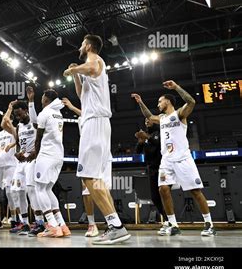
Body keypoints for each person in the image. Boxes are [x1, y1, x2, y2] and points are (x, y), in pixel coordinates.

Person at [63, 33, 131, 244]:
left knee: (88, 176)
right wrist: (76, 76)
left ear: (89, 46)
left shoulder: (95, 60)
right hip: (97, 122)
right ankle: (116, 224)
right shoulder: (90, 67)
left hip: (95, 123)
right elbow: (81, 92)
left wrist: (73, 69)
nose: (80, 47)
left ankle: (115, 226)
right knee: (96, 179)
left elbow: (91, 68)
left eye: (82, 44)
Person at [131, 80, 216, 236]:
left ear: (168, 101)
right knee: (163, 189)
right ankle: (173, 224)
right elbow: (149, 116)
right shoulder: (162, 118)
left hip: (183, 158)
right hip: (167, 160)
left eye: (159, 101)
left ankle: (209, 224)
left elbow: (191, 101)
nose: (158, 104)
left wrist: (176, 87)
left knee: (195, 191)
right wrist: (140, 102)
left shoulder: (179, 114)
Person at [62, 97, 112, 237]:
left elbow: (86, 111)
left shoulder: (99, 113)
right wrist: (71, 107)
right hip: (88, 155)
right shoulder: (83, 118)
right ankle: (92, 224)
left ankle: (112, 224)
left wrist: (71, 107)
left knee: (104, 189)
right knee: (86, 191)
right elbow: (83, 113)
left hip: (103, 155)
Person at [1, 87, 46, 236]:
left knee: (31, 190)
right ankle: (25, 224)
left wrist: (31, 100)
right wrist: (18, 153)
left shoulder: (34, 122)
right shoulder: (19, 126)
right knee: (15, 192)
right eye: (16, 115)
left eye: (19, 113)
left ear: (25, 110)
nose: (18, 117)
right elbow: (3, 124)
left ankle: (40, 223)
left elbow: (33, 116)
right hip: (22, 162)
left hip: (33, 160)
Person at [28, 89, 70, 237]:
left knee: (39, 189)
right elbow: (35, 124)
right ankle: (62, 225)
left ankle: (52, 225)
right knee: (47, 189)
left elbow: (38, 137)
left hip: (46, 155)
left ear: (46, 99)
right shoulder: (58, 112)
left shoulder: (45, 113)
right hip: (58, 155)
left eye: (42, 96)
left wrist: (35, 155)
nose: (41, 99)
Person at [135, 119, 167, 223]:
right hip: (151, 169)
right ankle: (167, 219)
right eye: (145, 121)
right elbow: (137, 151)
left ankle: (171, 219)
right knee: (154, 197)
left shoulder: (159, 132)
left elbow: (157, 143)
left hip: (162, 168)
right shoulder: (146, 135)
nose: (146, 122)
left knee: (165, 194)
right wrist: (140, 142)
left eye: (148, 120)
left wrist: (147, 137)